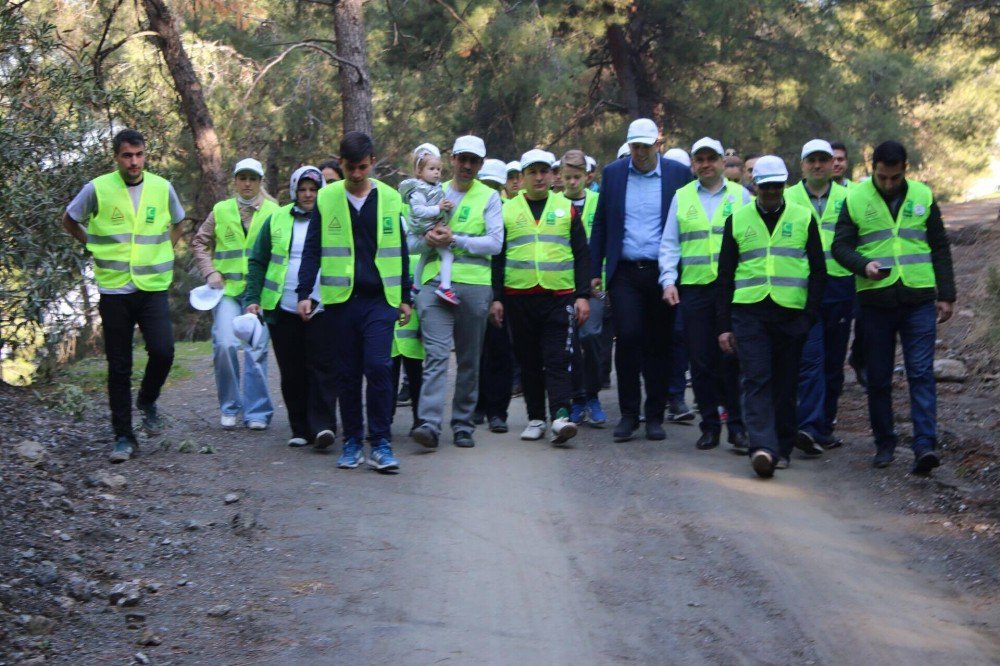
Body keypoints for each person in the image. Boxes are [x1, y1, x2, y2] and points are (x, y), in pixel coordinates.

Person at [831, 140, 956, 475]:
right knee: (879, 378)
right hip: (875, 301)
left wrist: (947, 294)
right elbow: (840, 246)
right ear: (874, 168)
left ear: (905, 169)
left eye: (895, 177)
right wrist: (862, 265)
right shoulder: (855, 198)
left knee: (920, 373)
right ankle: (885, 443)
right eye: (883, 177)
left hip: (917, 298)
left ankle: (924, 446)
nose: (888, 184)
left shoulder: (922, 195)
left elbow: (939, 246)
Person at [61, 128, 185, 463]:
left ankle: (146, 400)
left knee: (163, 351)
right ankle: (123, 437)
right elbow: (69, 220)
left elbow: (179, 222)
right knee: (119, 366)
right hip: (114, 288)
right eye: (127, 156)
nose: (134, 161)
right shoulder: (98, 188)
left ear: (146, 154)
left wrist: (165, 251)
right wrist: (91, 244)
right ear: (116, 157)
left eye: (139, 154)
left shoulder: (162, 187)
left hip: (152, 287)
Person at [297, 131, 412, 472]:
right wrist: (304, 293)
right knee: (347, 374)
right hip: (341, 300)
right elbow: (312, 247)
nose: (357, 174)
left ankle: (381, 443)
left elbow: (401, 249)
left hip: (380, 300)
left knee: (379, 368)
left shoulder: (391, 198)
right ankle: (351, 442)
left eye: (363, 167)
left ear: (372, 162)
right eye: (350, 167)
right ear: (341, 162)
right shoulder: (327, 197)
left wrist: (405, 296)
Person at [717, 155, 826, 478]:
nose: (771, 192)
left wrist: (809, 316)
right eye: (765, 187)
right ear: (755, 186)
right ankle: (762, 448)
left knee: (786, 381)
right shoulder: (737, 220)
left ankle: (782, 443)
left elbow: (819, 272)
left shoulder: (803, 218)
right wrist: (723, 325)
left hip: (790, 314)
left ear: (785, 184)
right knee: (756, 378)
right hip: (749, 312)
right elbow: (724, 277)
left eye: (777, 186)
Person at [589, 118, 692, 442]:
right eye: (635, 147)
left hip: (664, 274)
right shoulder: (614, 174)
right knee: (629, 337)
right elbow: (602, 225)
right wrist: (595, 270)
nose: (640, 153)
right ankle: (630, 414)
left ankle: (655, 415)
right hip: (625, 273)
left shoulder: (677, 174)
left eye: (646, 146)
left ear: (657, 145)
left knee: (659, 344)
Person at [408, 135, 503, 450]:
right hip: (435, 286)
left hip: (474, 287)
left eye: (473, 161)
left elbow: (495, 243)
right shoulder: (433, 190)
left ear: (480, 164)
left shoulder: (489, 197)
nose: (466, 166)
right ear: (452, 159)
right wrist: (429, 240)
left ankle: (463, 424)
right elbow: (410, 240)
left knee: (468, 360)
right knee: (435, 356)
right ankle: (429, 425)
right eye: (462, 158)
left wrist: (456, 239)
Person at [491, 149, 591, 445]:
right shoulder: (507, 209)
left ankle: (561, 416)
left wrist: (582, 295)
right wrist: (496, 298)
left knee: (558, 359)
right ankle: (536, 418)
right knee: (529, 361)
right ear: (520, 178)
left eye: (544, 171)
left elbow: (582, 254)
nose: (538, 177)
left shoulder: (566, 208)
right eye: (532, 172)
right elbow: (497, 258)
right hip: (518, 298)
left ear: (553, 175)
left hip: (558, 296)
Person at [659, 137, 751, 452]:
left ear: (722, 162)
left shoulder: (741, 196)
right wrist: (668, 280)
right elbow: (670, 243)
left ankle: (737, 427)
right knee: (700, 361)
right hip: (695, 289)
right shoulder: (681, 197)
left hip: (732, 290)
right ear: (693, 164)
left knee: (732, 358)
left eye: (712, 158)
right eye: (700, 159)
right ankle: (710, 426)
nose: (706, 164)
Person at [244, 166, 338, 449]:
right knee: (292, 370)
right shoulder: (275, 219)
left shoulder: (333, 218)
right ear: (294, 191)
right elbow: (258, 260)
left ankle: (323, 426)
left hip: (323, 306)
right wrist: (253, 297)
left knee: (321, 367)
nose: (308, 195)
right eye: (303, 189)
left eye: (313, 189)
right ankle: (299, 428)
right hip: (282, 308)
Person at [191, 158, 279, 431]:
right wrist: (209, 272)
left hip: (259, 294)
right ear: (235, 181)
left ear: (260, 181)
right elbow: (200, 242)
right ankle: (230, 406)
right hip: (227, 291)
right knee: (225, 344)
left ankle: (257, 412)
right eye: (243, 178)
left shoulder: (274, 212)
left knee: (255, 350)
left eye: (253, 178)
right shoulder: (221, 210)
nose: (248, 183)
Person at [785, 140, 852, 455]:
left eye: (823, 160)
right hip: (803, 289)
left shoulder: (848, 197)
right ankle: (807, 427)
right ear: (802, 165)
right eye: (811, 160)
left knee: (833, 364)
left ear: (832, 165)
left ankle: (823, 427)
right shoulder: (787, 197)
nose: (817, 165)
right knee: (810, 360)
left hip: (840, 286)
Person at [560, 149, 608, 427]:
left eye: (577, 177)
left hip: (593, 285)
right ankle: (575, 399)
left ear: (588, 177)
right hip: (561, 285)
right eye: (567, 177)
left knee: (590, 337)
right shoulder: (555, 204)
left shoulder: (598, 202)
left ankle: (592, 395)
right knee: (568, 345)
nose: (573, 182)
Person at [473, 159, 515, 433]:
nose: (488, 189)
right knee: (474, 352)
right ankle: (475, 406)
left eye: (493, 185)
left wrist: (498, 296)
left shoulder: (508, 213)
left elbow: (502, 257)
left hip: (502, 292)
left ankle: (497, 411)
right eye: (484, 183)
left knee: (500, 351)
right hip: (470, 286)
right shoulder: (469, 206)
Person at [399, 143, 459, 304]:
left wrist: (446, 209)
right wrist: (438, 208)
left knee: (425, 256)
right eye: (431, 169)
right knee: (447, 254)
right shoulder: (418, 190)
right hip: (422, 228)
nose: (436, 173)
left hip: (430, 226)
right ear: (419, 171)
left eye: (439, 170)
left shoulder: (435, 188)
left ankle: (416, 286)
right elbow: (418, 211)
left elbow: (438, 209)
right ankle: (445, 287)